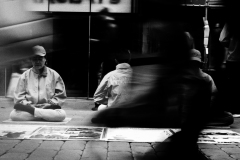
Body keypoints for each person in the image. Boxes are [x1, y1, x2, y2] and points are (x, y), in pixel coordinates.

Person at [9, 45, 67, 122]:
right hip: (30, 107)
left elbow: (61, 96)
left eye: (40, 59)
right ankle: (43, 116)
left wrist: (53, 103)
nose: (37, 62)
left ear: (45, 59)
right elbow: (19, 96)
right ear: (31, 60)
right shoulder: (24, 76)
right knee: (13, 115)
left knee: (62, 114)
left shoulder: (54, 75)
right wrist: (27, 104)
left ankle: (35, 114)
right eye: (34, 59)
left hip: (47, 108)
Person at [187, 49, 234, 126]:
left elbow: (214, 96)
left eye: (195, 63)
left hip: (203, 112)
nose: (193, 66)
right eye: (191, 63)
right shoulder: (182, 76)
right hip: (185, 112)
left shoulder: (206, 77)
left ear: (199, 64)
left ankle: (199, 121)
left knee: (228, 117)